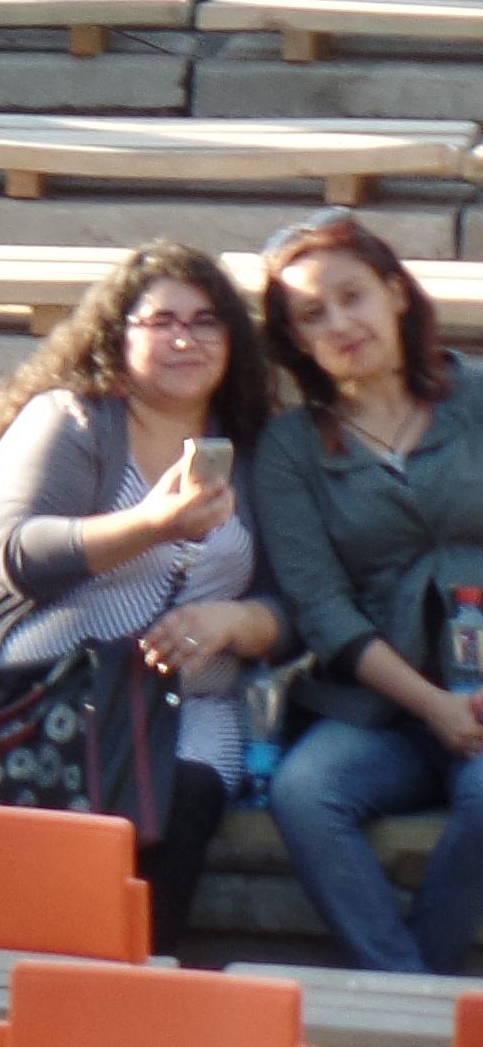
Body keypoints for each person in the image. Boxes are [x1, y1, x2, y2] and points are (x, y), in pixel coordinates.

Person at [0, 247, 274, 955]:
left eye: (207, 321)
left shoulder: (258, 445)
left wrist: (239, 621)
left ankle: (134, 999)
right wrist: (154, 523)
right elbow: (15, 554)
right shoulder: (72, 420)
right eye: (162, 321)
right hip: (52, 689)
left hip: (190, 702)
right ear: (118, 335)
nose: (186, 338)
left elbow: (298, 603)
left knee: (182, 806)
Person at [247, 212, 483, 976]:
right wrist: (432, 705)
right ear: (295, 340)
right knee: (306, 792)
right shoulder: (290, 449)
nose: (340, 323)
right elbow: (322, 609)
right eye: (313, 314)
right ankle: (413, 999)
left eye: (353, 296)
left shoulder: (475, 398)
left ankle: (407, 999)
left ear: (395, 293)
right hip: (380, 706)